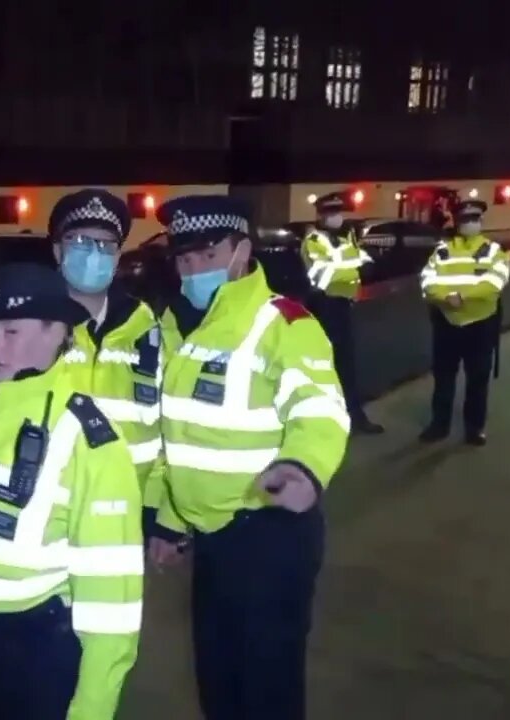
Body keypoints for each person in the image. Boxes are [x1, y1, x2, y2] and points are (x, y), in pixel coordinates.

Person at [147, 195, 350, 720]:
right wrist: (170, 522)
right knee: (218, 681)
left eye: (208, 255)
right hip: (212, 542)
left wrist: (304, 466)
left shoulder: (282, 323)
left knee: (267, 690)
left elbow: (319, 407)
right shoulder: (177, 330)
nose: (194, 269)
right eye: (184, 259)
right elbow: (180, 439)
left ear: (242, 251)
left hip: (269, 534)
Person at [0, 262, 144, 720]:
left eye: (12, 331)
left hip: (48, 645)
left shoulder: (85, 437)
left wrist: (92, 707)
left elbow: (113, 596)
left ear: (58, 333)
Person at [0, 189, 166, 539]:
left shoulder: (145, 326)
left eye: (105, 245)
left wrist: (156, 511)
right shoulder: (21, 322)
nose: (94, 254)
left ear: (119, 256)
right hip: (39, 519)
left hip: (122, 514)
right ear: (58, 250)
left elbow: (164, 424)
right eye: (80, 241)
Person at [418, 199, 510, 446]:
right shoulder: (442, 251)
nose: (470, 224)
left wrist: (462, 297)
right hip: (447, 322)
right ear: (457, 222)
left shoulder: (493, 250)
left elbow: (495, 282)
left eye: (474, 219)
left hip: (480, 324)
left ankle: (474, 428)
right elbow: (427, 280)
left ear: (481, 221)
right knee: (443, 377)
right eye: (465, 220)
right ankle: (439, 425)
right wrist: (444, 298)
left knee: (478, 379)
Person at [300, 191, 383, 434]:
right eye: (330, 213)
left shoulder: (346, 238)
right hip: (325, 308)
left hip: (344, 306)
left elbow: (363, 259)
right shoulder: (313, 241)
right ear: (320, 215)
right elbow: (323, 277)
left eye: (338, 212)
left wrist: (364, 265)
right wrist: (357, 274)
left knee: (347, 367)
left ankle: (354, 417)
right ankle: (326, 423)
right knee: (325, 368)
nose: (335, 217)